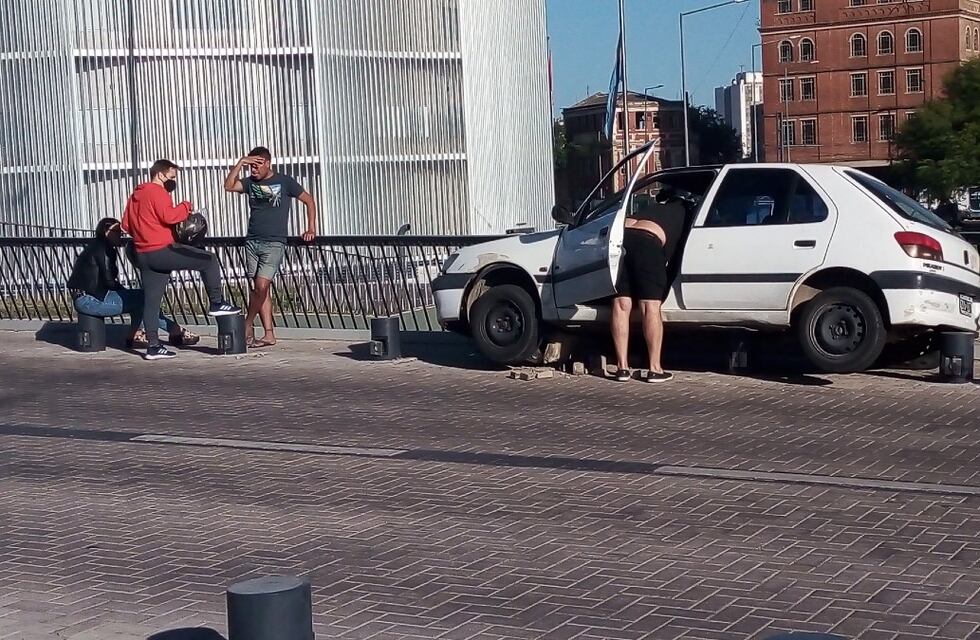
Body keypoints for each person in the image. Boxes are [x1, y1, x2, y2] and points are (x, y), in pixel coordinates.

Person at [122, 159, 241, 361]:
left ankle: (153, 347)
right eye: (172, 176)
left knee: (151, 302)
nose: (173, 181)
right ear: (160, 174)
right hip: (162, 250)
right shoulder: (157, 191)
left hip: (143, 254)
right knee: (209, 260)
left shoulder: (136, 195)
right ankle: (217, 303)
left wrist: (145, 233)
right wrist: (185, 206)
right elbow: (169, 216)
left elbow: (125, 225)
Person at [224, 147, 317, 348]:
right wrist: (240, 163)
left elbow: (309, 200)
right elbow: (229, 186)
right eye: (251, 166)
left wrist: (311, 228)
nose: (253, 170)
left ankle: (247, 323)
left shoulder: (285, 182)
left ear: (267, 163)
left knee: (261, 286)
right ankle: (269, 334)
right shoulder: (250, 183)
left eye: (257, 166)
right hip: (252, 240)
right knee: (259, 290)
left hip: (274, 242)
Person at [67, 218, 200, 349]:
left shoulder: (95, 246)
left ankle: (139, 335)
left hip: (85, 297)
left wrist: (126, 295)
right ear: (106, 231)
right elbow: (109, 281)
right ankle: (173, 331)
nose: (120, 236)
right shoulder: (104, 250)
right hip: (90, 300)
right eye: (117, 232)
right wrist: (125, 294)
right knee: (143, 300)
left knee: (140, 299)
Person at [610, 185, 686, 383]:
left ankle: (622, 368)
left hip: (622, 235)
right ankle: (654, 369)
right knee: (650, 306)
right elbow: (674, 255)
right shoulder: (684, 212)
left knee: (621, 304)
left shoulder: (652, 208)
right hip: (648, 240)